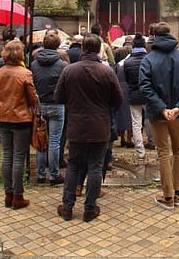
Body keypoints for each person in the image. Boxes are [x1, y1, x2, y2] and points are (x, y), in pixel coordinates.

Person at [54, 33, 123, 222]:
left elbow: (58, 97)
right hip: (99, 125)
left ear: (83, 48)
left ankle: (67, 207)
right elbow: (118, 100)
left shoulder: (69, 70)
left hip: (76, 124)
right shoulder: (106, 72)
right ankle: (89, 209)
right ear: (99, 50)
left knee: (74, 165)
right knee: (95, 166)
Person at [139, 22, 179, 210]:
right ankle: (178, 191)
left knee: (163, 151)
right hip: (178, 114)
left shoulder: (148, 59)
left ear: (154, 36)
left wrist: (162, 108)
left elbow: (145, 86)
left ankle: (168, 195)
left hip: (158, 113)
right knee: (178, 150)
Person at [0, 39, 38, 209]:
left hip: (4, 117)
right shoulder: (24, 73)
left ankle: (8, 194)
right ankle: (18, 196)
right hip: (21, 118)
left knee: (7, 155)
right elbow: (33, 98)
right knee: (19, 157)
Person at [31, 32, 68, 185]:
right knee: (54, 141)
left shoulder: (34, 64)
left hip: (39, 105)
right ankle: (54, 175)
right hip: (56, 104)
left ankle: (40, 175)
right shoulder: (63, 65)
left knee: (40, 140)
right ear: (58, 46)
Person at [123, 33, 149, 160]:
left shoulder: (127, 62)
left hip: (134, 94)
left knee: (136, 124)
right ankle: (154, 143)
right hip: (148, 95)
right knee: (151, 121)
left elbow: (127, 79)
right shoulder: (149, 60)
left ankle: (140, 151)